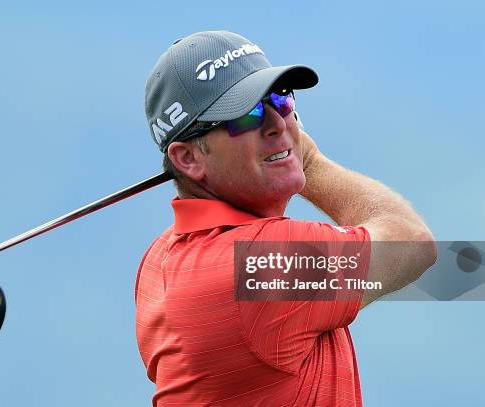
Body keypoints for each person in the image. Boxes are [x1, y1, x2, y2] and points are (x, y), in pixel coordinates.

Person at [135, 30, 436, 406]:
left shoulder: (159, 259)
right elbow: (412, 244)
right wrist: (308, 160)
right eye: (247, 115)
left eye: (280, 99)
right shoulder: (256, 267)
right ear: (189, 159)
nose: (279, 123)